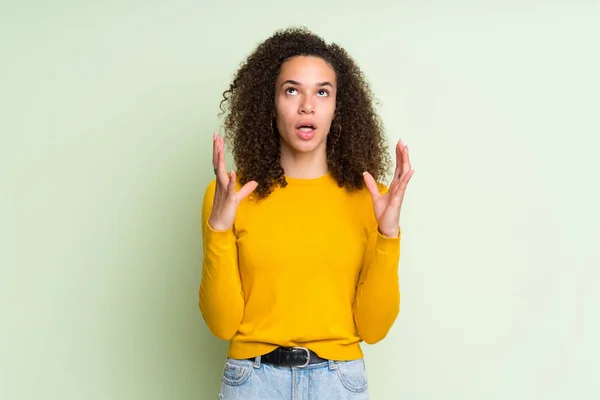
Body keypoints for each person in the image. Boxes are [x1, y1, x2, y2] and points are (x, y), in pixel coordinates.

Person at [199, 26, 414, 399]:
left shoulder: (372, 199)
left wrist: (388, 235)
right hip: (252, 382)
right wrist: (219, 228)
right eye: (292, 90)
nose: (307, 106)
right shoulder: (229, 196)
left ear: (337, 109)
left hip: (339, 383)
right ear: (271, 104)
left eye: (322, 92)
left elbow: (374, 329)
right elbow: (221, 324)